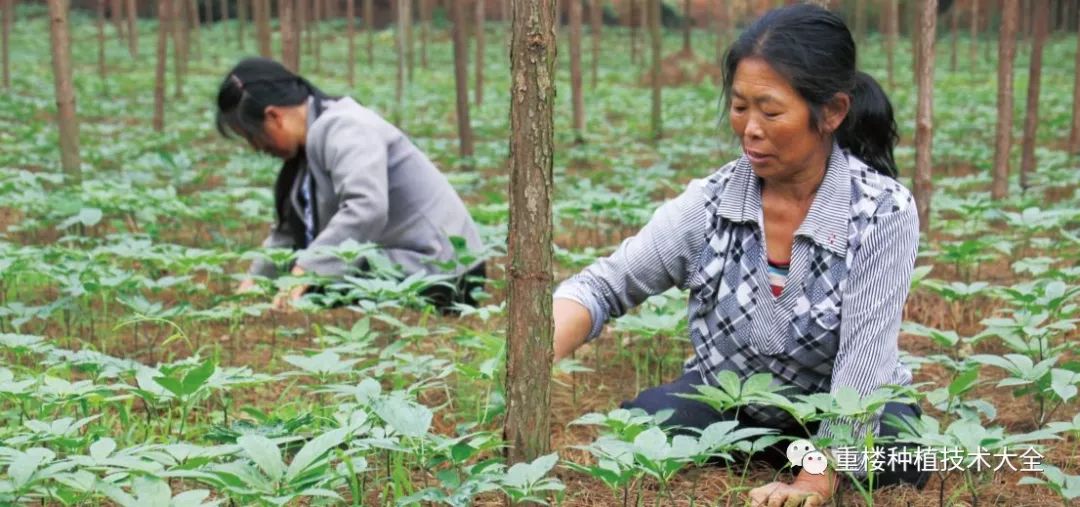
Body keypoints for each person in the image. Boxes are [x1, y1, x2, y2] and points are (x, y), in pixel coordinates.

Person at [552, 5, 927, 506]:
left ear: (832, 112)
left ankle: (796, 455)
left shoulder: (881, 210)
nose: (750, 128)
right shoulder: (712, 203)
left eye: (770, 111)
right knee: (640, 428)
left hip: (847, 409)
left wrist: (816, 478)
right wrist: (532, 354)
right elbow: (602, 286)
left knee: (902, 457)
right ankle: (766, 448)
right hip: (731, 403)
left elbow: (864, 360)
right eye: (739, 107)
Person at [216, 57, 485, 311]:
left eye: (253, 136)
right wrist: (252, 287)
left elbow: (366, 207)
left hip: (445, 270)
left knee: (314, 290)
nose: (257, 148)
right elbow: (287, 234)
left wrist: (304, 273)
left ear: (274, 116)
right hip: (409, 262)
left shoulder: (345, 127)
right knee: (310, 282)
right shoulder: (307, 150)